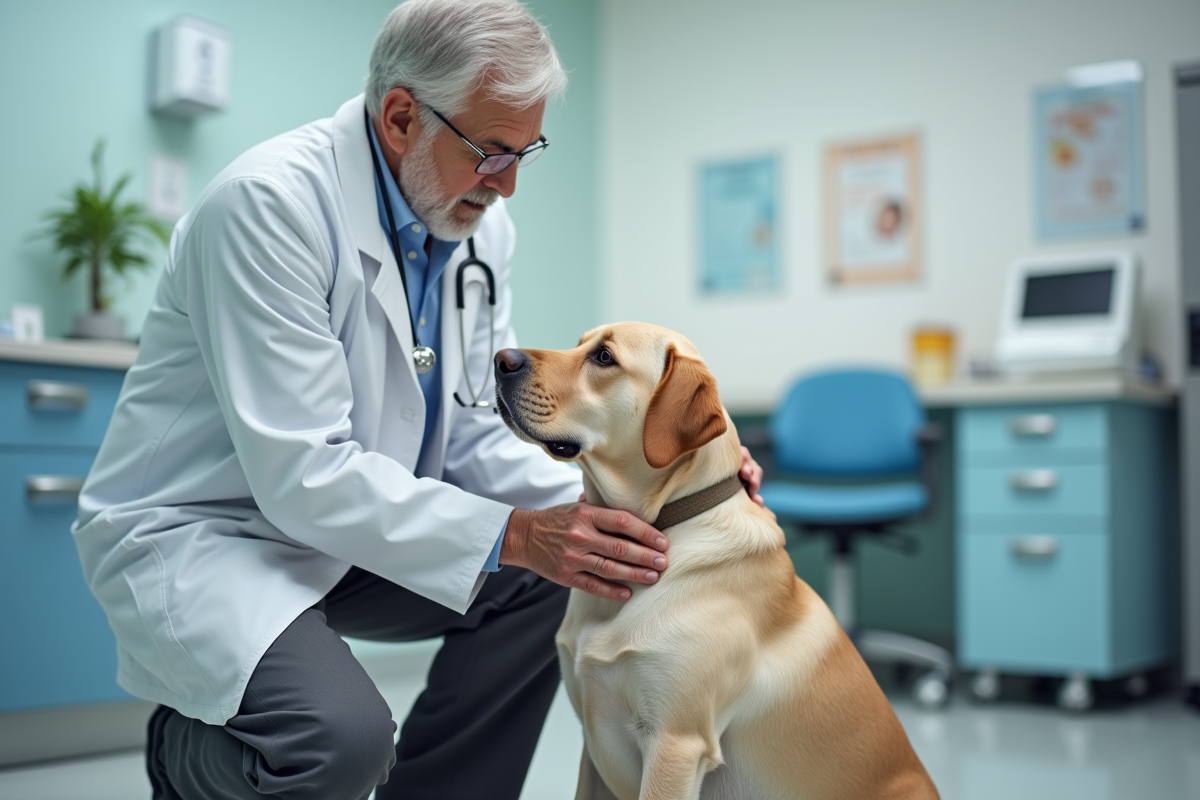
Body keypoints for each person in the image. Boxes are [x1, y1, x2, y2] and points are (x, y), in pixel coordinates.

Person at [72, 1, 764, 798]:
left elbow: (471, 433)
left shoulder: (475, 229)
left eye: (524, 153)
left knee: (558, 574)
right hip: (213, 535)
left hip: (346, 532)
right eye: (491, 152)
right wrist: (516, 533)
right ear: (401, 116)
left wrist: (643, 504)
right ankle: (181, 753)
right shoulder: (268, 207)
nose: (506, 185)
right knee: (338, 740)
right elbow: (302, 473)